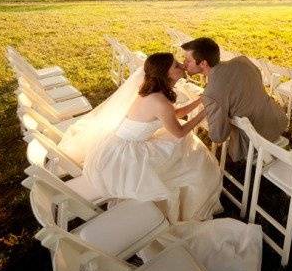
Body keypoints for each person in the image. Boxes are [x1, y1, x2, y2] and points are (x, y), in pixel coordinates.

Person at [64, 52, 222, 224]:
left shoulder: (153, 92)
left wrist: (200, 101)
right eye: (176, 65)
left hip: (121, 144)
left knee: (187, 149)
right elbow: (179, 132)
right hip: (127, 155)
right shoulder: (159, 101)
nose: (182, 66)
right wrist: (205, 112)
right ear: (165, 73)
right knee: (189, 152)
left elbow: (174, 113)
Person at [181, 37, 288, 162]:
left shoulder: (211, 94)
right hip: (278, 120)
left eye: (188, 60)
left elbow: (218, 137)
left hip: (255, 140)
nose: (184, 63)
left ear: (203, 63)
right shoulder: (243, 61)